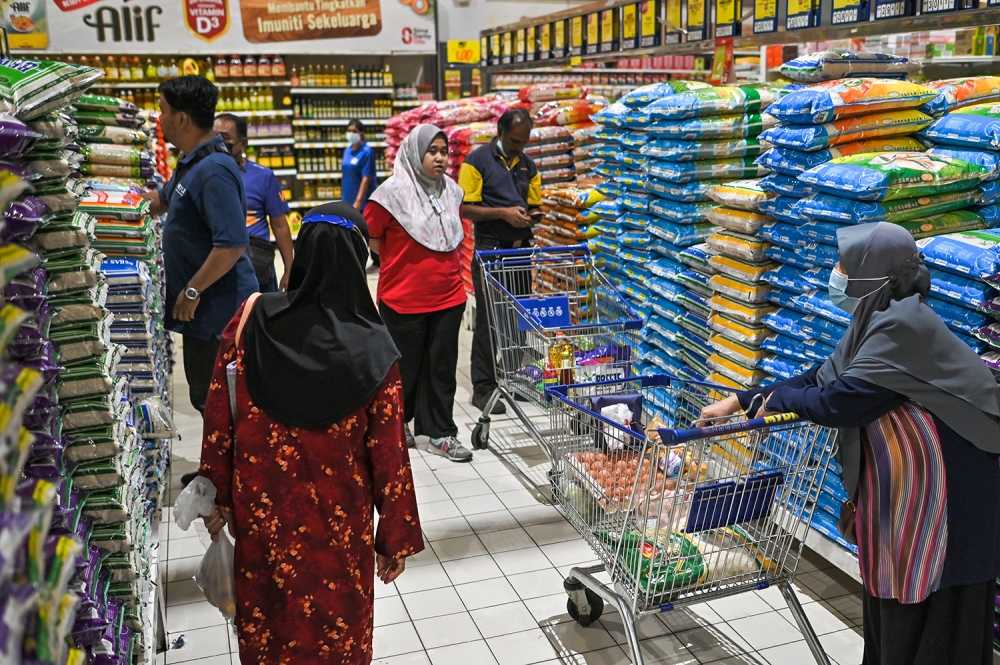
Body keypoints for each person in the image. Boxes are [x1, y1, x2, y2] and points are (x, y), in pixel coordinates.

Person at [700, 222, 1000, 665]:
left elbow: (844, 401)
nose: (835, 274)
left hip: (952, 488)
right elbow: (822, 376)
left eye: (845, 265)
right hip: (913, 489)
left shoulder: (904, 326)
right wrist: (742, 401)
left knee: (937, 611)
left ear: (875, 274)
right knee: (900, 598)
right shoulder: (874, 321)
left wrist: (776, 402)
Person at [199, 202, 423, 664]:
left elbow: (219, 416)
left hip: (264, 517)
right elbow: (390, 455)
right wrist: (394, 537)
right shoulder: (375, 349)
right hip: (339, 527)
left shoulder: (252, 318)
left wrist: (215, 493)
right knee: (337, 629)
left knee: (269, 624)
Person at [142, 76, 257, 416]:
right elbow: (161, 200)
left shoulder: (214, 170)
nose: (158, 118)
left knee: (220, 401)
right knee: (205, 396)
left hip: (217, 310)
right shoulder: (192, 160)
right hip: (201, 311)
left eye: (162, 111)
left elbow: (232, 245)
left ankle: (232, 470)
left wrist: (192, 290)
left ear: (182, 118)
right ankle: (219, 469)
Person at [365, 124, 472, 463]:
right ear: (415, 153)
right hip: (402, 300)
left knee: (442, 368)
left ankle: (441, 432)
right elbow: (369, 236)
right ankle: (399, 427)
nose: (441, 158)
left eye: (445, 152)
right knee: (402, 370)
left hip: (450, 297)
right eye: (433, 151)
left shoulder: (452, 193)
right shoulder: (389, 195)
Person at [459, 107, 542, 415]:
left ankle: (514, 378)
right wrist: (503, 213)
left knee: (517, 319)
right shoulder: (476, 161)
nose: (520, 147)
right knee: (489, 322)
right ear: (501, 132)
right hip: (491, 251)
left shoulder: (528, 164)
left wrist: (530, 216)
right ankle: (483, 387)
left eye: (525, 141)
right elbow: (465, 208)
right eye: (516, 140)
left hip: (520, 250)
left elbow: (534, 203)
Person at [214, 113, 294, 293]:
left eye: (224, 138)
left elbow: (280, 226)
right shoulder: (202, 173)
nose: (218, 143)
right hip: (216, 263)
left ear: (243, 143)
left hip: (256, 263)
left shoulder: (263, 176)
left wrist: (290, 269)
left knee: (262, 316)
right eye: (214, 137)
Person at [341, 119, 379, 270]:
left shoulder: (367, 152)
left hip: (363, 199)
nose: (351, 134)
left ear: (362, 133)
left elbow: (366, 178)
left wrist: (358, 201)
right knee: (351, 230)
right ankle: (355, 262)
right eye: (349, 130)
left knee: (368, 231)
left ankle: (377, 261)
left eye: (354, 131)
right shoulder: (347, 150)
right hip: (348, 197)